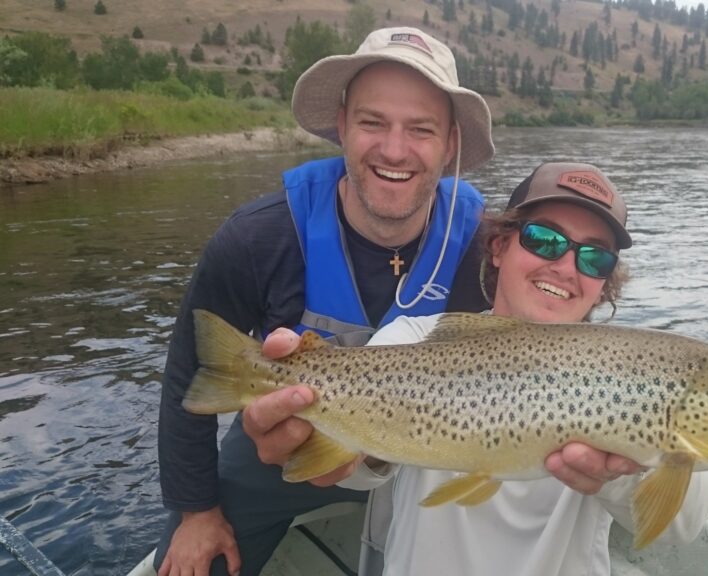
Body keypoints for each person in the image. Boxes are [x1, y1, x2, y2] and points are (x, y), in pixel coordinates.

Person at [253, 162, 708, 575]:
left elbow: (686, 521)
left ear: (603, 285)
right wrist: (316, 433)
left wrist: (615, 468)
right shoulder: (414, 341)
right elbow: (356, 470)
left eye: (594, 256)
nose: (565, 266)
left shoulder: (633, 371)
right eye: (544, 239)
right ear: (499, 247)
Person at [155, 26, 495, 576]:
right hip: (284, 447)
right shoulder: (256, 239)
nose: (393, 149)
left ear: (451, 143)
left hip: (432, 455)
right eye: (371, 122)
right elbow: (187, 378)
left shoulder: (485, 248)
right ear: (341, 126)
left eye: (421, 129)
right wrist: (196, 510)